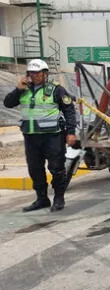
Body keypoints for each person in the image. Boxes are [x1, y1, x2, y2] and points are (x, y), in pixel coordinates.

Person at [3, 59, 77, 212]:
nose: (35, 76)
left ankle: (58, 198)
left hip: (52, 137)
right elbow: (8, 104)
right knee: (35, 169)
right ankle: (42, 199)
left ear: (45, 74)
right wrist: (17, 89)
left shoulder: (56, 90)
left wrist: (71, 133)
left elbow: (69, 111)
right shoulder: (23, 90)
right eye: (32, 73)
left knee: (57, 168)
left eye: (38, 73)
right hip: (31, 137)